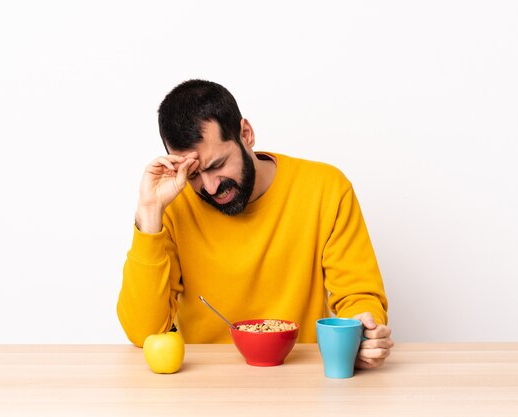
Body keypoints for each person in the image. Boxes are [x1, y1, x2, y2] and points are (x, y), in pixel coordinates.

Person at [117, 79, 393, 369]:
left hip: (299, 375)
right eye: (194, 174)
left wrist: (364, 330)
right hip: (202, 383)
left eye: (217, 165)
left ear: (246, 134)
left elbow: (358, 296)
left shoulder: (326, 189)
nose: (210, 187)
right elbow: (144, 331)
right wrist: (149, 214)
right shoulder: (173, 206)